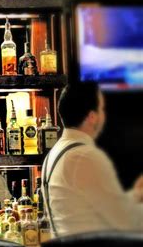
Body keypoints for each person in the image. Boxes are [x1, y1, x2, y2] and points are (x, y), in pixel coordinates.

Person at [42, 81, 143, 237]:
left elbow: (102, 206)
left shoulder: (55, 153)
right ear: (92, 117)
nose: (104, 114)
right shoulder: (85, 156)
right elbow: (127, 222)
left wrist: (136, 194)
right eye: (101, 108)